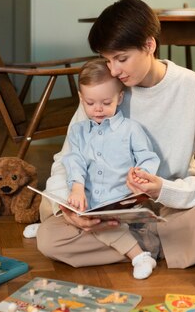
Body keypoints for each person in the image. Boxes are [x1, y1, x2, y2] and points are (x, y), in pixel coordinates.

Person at [36, 0, 195, 270]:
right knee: (50, 236)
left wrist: (165, 189)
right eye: (107, 60)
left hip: (179, 203)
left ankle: (143, 244)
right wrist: (70, 212)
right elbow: (67, 158)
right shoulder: (107, 91)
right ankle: (190, 243)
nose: (113, 70)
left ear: (149, 45)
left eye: (121, 59)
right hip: (115, 209)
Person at [63, 58, 160, 279]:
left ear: (120, 98)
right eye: (90, 103)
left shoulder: (131, 129)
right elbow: (74, 160)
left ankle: (139, 256)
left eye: (106, 103)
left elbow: (147, 157)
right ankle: (46, 225)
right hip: (88, 201)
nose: (98, 109)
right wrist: (76, 187)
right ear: (81, 99)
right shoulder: (78, 131)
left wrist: (140, 176)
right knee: (50, 206)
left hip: (119, 200)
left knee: (104, 225)